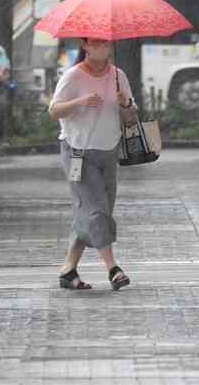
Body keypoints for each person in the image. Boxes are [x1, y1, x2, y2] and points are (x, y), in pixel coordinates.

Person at [48, 38, 138, 291]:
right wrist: (80, 102)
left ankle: (68, 270)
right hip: (78, 153)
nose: (103, 48)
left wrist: (125, 104)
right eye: (96, 43)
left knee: (94, 211)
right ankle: (113, 268)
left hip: (109, 151)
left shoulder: (118, 76)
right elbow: (53, 111)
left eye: (106, 43)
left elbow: (131, 119)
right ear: (85, 46)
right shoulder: (73, 76)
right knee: (96, 211)